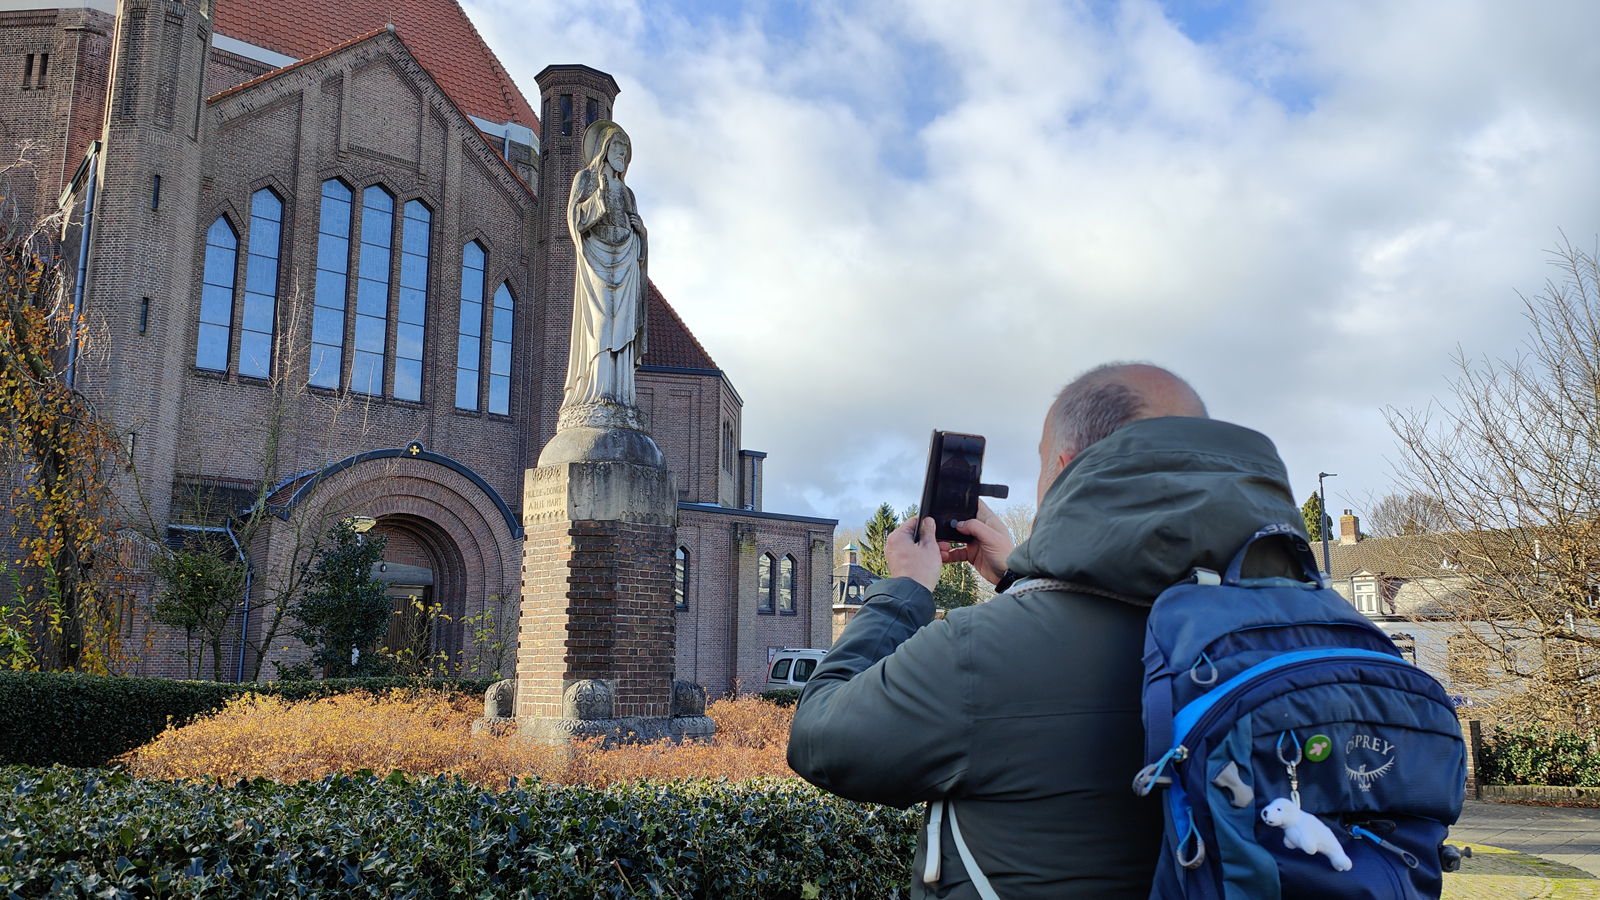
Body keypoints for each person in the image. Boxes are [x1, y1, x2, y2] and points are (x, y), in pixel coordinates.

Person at [788, 363, 1311, 899]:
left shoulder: (977, 652)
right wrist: (1021, 579)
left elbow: (819, 737)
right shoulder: (1304, 625)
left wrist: (907, 590)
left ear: (1063, 470)